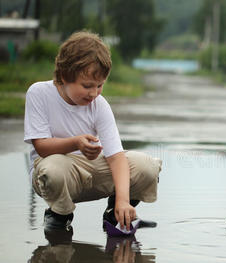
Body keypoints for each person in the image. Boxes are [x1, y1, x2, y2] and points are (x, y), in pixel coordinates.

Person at [24, 31, 162, 234]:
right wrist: (76, 143)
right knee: (52, 170)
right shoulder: (39, 93)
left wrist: (123, 200)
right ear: (64, 76)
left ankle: (116, 210)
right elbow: (42, 146)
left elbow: (116, 157)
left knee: (147, 167)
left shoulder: (99, 105)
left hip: (92, 170)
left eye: (100, 85)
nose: (94, 93)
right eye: (87, 85)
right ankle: (59, 214)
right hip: (58, 171)